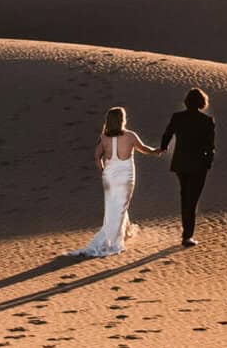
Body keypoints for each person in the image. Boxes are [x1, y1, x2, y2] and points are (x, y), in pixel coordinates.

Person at [75, 105, 162, 257]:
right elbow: (144, 148)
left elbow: (97, 157)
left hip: (109, 176)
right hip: (126, 175)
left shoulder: (103, 137)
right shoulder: (130, 136)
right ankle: (114, 242)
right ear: (122, 120)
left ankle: (125, 232)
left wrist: (103, 171)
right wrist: (156, 151)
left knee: (113, 206)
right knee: (121, 206)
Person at [159, 88, 216, 247]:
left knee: (185, 197)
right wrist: (208, 163)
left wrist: (163, 147)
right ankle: (187, 235)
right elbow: (210, 146)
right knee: (192, 200)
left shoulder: (177, 117)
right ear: (202, 103)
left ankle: (187, 233)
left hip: (180, 164)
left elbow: (167, 134)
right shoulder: (207, 121)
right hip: (198, 165)